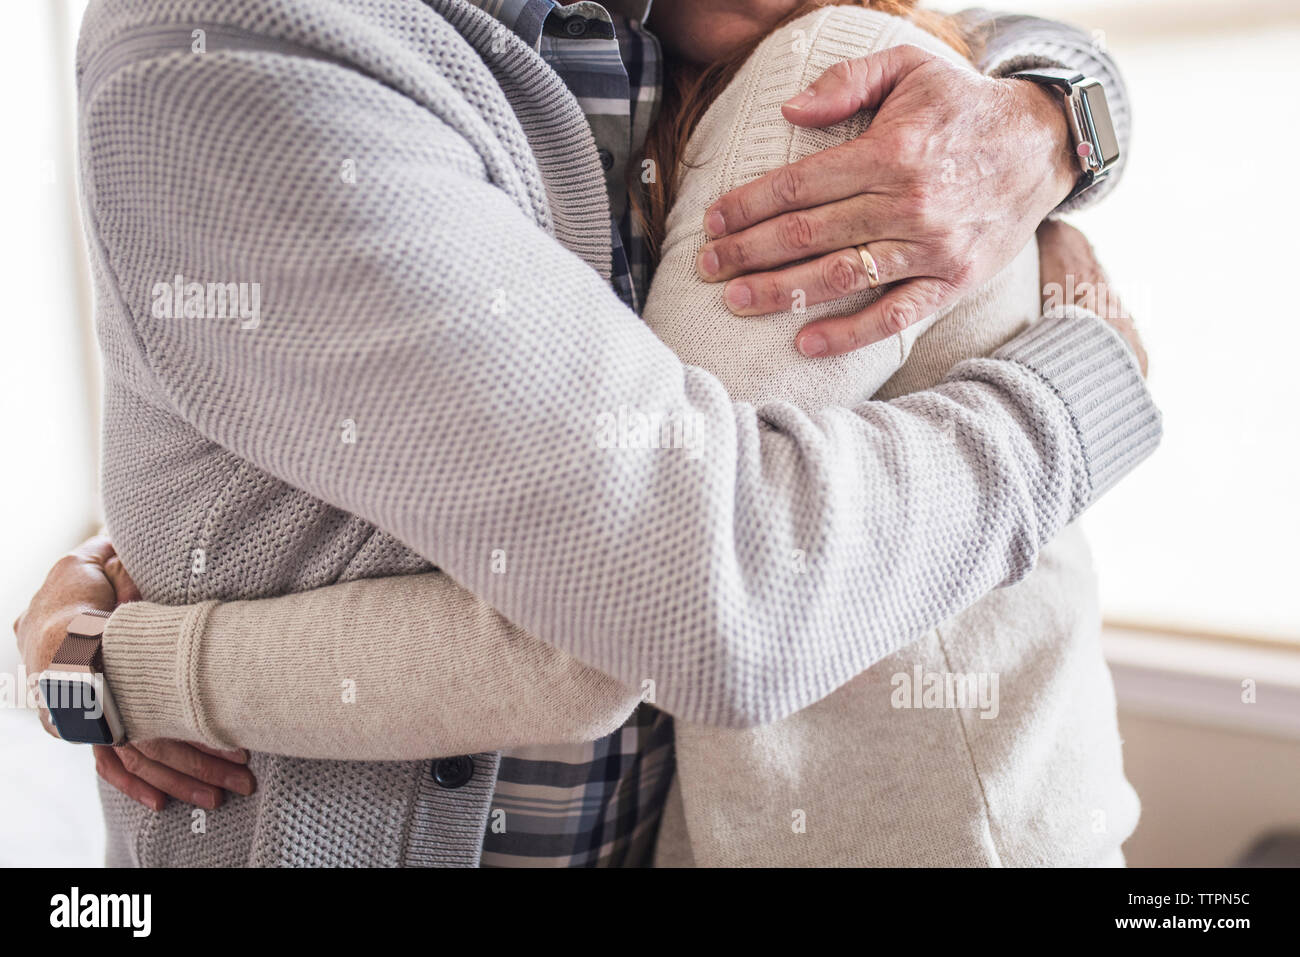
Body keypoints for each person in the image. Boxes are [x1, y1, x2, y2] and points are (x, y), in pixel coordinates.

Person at [16, 0, 1158, 867]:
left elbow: (691, 596)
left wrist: (1062, 117)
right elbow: (658, 571)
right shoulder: (256, 56)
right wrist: (96, 618)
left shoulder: (821, 71)